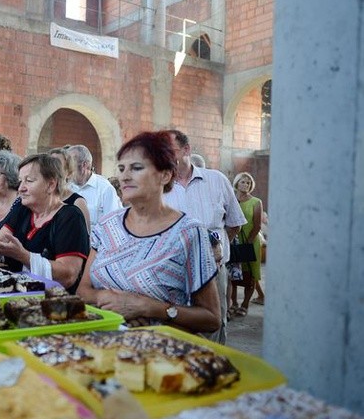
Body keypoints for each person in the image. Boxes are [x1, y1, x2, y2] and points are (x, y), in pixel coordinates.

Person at [77, 131, 221, 333]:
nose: (124, 176)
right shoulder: (106, 226)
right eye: (121, 168)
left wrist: (150, 308)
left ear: (165, 175)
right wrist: (112, 302)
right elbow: (83, 291)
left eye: (136, 168)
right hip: (101, 344)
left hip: (161, 352)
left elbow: (211, 318)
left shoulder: (188, 232)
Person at [0, 154, 89, 292]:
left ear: (51, 185)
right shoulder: (23, 208)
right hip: (16, 292)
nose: (21, 188)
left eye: (29, 181)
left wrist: (23, 256)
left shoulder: (70, 217)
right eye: (20, 181)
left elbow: (68, 276)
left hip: (50, 301)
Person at [163, 129, 246, 343]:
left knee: (215, 324)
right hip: (174, 272)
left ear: (187, 150)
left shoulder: (216, 180)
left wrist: (213, 247)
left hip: (214, 270)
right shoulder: (161, 187)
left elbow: (234, 223)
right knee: (177, 325)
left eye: (171, 151)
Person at [229, 172, 264, 317]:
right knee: (233, 275)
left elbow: (257, 226)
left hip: (250, 242)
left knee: (250, 274)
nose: (246, 185)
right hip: (233, 242)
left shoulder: (256, 202)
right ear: (237, 183)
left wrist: (247, 244)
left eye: (248, 183)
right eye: (243, 182)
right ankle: (234, 303)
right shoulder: (231, 199)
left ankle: (245, 305)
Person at [66, 144, 122, 228]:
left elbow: (112, 225)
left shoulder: (105, 189)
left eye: (70, 164)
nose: (67, 168)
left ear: (85, 165)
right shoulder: (66, 187)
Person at [49, 147, 91, 231]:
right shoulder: (38, 198)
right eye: (49, 164)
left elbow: (85, 239)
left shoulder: (78, 203)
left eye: (58, 165)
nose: (52, 169)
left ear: (68, 173)